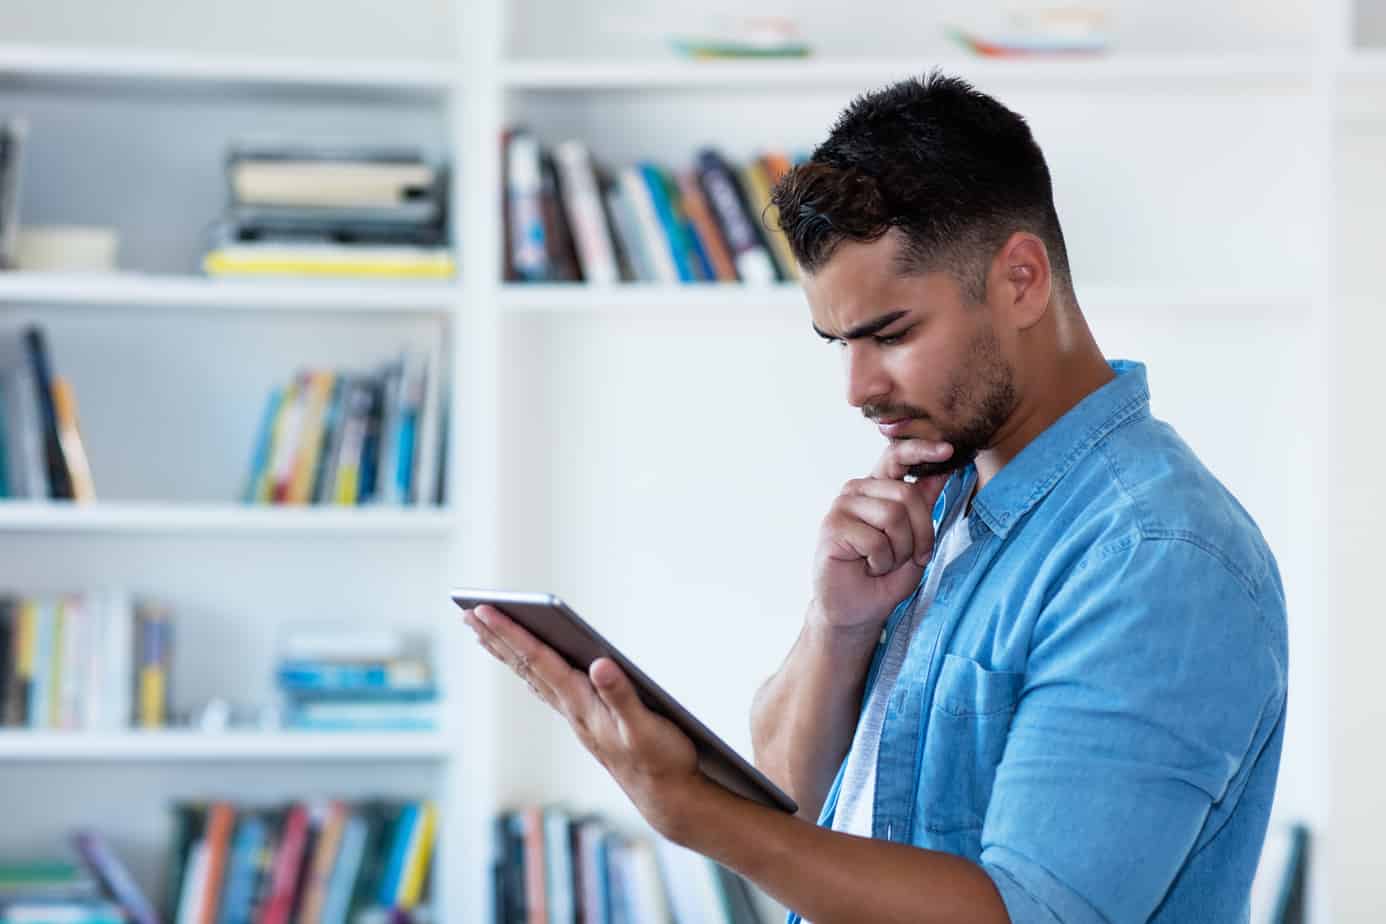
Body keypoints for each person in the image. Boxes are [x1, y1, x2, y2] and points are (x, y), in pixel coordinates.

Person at [462, 72, 1288, 923]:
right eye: (837, 342)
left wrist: (693, 812)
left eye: (890, 334)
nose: (857, 386)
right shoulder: (944, 491)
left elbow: (1029, 916)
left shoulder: (1155, 558)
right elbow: (790, 792)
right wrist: (840, 628)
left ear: (1021, 280)